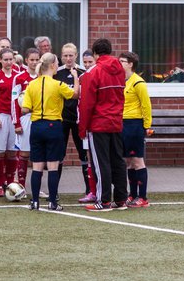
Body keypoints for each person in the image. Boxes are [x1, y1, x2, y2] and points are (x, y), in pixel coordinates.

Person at [18, 52, 73, 211]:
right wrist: (75, 78)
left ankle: (34, 201)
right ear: (53, 65)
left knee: (37, 166)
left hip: (36, 126)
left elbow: (25, 109)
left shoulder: (31, 84)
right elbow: (75, 94)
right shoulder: (58, 84)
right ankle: (52, 203)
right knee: (53, 166)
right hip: (53, 126)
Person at [79, 38, 129, 210]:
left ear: (95, 53)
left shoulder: (93, 72)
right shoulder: (120, 70)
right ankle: (121, 198)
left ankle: (103, 200)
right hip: (116, 121)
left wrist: (82, 128)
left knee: (101, 163)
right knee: (118, 160)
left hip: (98, 123)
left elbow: (86, 103)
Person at [56, 43, 94, 203]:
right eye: (65, 55)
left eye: (71, 55)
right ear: (62, 56)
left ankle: (89, 190)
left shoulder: (83, 72)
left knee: (84, 154)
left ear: (76, 55)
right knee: (58, 155)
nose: (68, 58)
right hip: (62, 119)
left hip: (79, 119)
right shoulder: (57, 73)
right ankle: (54, 191)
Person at [119, 52, 153, 207]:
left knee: (138, 161)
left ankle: (143, 197)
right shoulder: (121, 81)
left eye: (122, 61)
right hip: (123, 124)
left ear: (130, 64)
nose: (119, 63)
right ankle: (132, 195)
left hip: (134, 124)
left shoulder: (138, 83)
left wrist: (147, 125)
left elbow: (146, 105)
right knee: (129, 162)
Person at [0, 48, 20, 195]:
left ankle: (10, 183)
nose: (8, 62)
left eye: (11, 59)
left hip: (15, 117)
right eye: (5, 59)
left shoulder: (18, 76)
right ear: (0, 60)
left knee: (12, 152)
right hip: (1, 116)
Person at [13, 48, 41, 188]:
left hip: (41, 118)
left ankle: (37, 187)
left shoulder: (43, 77)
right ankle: (21, 186)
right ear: (26, 60)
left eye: (37, 60)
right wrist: (16, 123)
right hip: (25, 119)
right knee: (24, 153)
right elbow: (14, 102)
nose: (34, 63)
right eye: (32, 60)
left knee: (39, 154)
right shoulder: (19, 78)